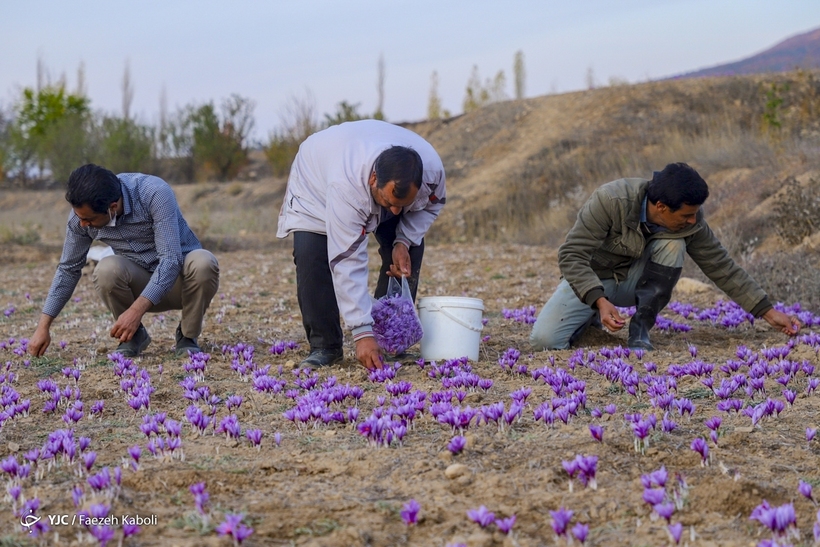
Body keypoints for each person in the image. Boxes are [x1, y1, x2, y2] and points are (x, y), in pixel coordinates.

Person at [529, 162, 800, 351]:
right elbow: (571, 254)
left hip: (639, 284)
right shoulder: (611, 200)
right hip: (596, 281)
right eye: (686, 215)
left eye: (695, 213)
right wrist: (598, 300)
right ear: (661, 206)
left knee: (674, 245)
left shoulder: (690, 221)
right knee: (545, 341)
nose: (693, 220)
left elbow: (720, 265)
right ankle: (589, 316)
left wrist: (767, 311)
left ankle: (640, 330)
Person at [277, 119, 446, 370]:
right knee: (312, 255)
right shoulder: (346, 186)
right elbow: (347, 259)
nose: (395, 210)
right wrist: (361, 331)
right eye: (389, 202)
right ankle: (326, 346)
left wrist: (403, 239)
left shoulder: (432, 173)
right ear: (374, 178)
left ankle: (389, 339)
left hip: (367, 164)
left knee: (408, 250)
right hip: (316, 180)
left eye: (403, 204)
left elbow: (432, 205)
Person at [29, 164, 220, 358]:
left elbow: (170, 261)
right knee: (106, 269)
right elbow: (68, 269)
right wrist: (43, 326)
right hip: (139, 282)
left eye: (89, 219)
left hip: (182, 283)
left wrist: (135, 312)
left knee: (203, 261)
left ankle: (187, 336)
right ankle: (134, 336)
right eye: (80, 217)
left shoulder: (154, 193)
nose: (83, 224)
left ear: (112, 207)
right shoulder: (81, 217)